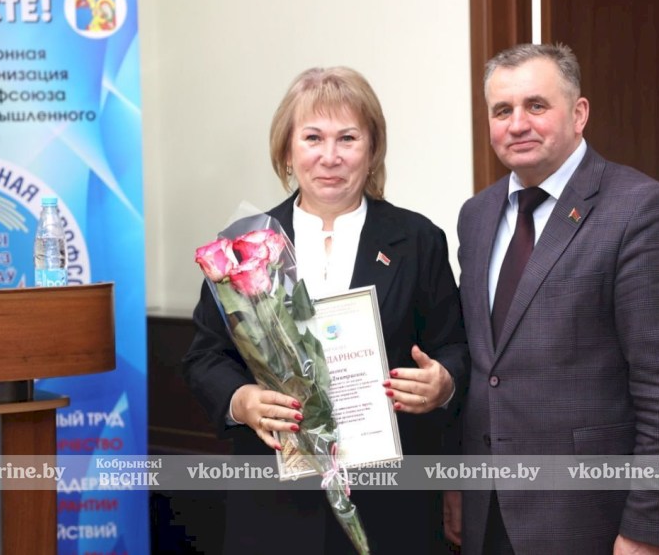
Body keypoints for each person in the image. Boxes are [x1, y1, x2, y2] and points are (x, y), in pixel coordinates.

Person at [183, 66, 469, 554]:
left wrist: (442, 382)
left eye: (348, 138)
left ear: (372, 150)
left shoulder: (418, 240)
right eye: (313, 137)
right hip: (274, 507)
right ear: (287, 150)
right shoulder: (243, 246)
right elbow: (203, 356)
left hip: (392, 505)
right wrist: (242, 400)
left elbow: (454, 346)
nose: (330, 156)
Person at [448, 43, 659, 554]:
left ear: (579, 113)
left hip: (594, 522)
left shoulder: (641, 211)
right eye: (502, 110)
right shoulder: (476, 216)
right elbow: (486, 370)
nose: (517, 124)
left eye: (536, 106)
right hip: (490, 516)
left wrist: (648, 530)